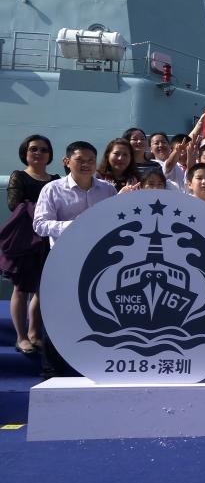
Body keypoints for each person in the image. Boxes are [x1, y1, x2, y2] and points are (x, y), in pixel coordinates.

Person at [32, 140, 117, 375]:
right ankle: (52, 369)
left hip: (100, 262)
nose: (86, 164)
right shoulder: (52, 189)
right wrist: (74, 225)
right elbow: (40, 224)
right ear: (67, 161)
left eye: (91, 160)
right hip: (64, 261)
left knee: (97, 311)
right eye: (80, 160)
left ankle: (96, 365)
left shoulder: (107, 190)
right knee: (58, 314)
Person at [1, 135, 59, 355]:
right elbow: (14, 204)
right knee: (21, 288)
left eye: (43, 149)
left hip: (47, 238)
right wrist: (42, 210)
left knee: (42, 288)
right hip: (25, 239)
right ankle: (21, 337)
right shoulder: (19, 176)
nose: (38, 153)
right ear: (25, 152)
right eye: (33, 149)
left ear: (49, 154)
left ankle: (34, 333)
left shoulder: (55, 179)